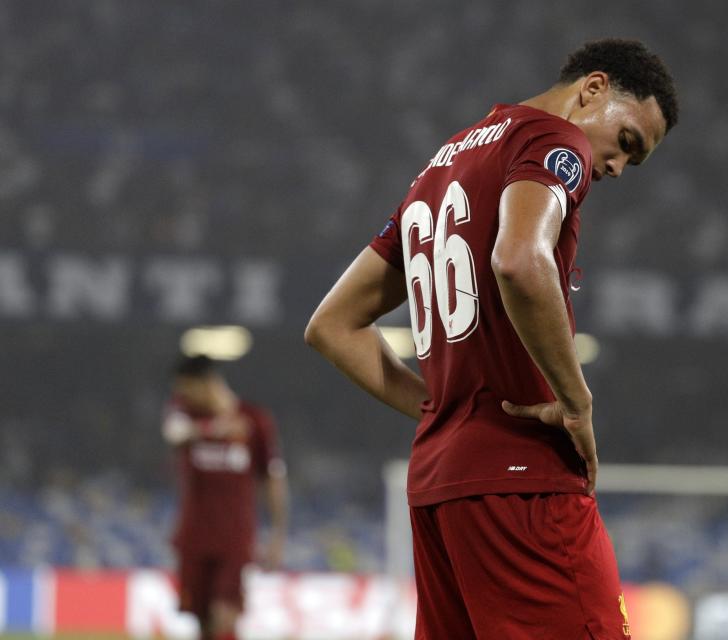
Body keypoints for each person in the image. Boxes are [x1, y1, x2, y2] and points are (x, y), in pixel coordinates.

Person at [305, 38, 678, 639]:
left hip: (438, 488)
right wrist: (577, 403)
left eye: (632, 161)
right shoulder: (555, 142)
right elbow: (519, 259)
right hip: (522, 481)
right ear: (594, 89)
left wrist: (441, 411)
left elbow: (331, 325)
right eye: (627, 142)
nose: (615, 167)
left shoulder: (444, 162)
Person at [162, 355, 289, 640]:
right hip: (193, 536)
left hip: (235, 538)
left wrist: (277, 535)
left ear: (208, 384)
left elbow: (273, 479)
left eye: (186, 389)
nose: (182, 396)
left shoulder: (255, 420)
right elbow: (173, 433)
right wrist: (212, 429)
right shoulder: (185, 413)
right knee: (202, 621)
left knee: (225, 615)